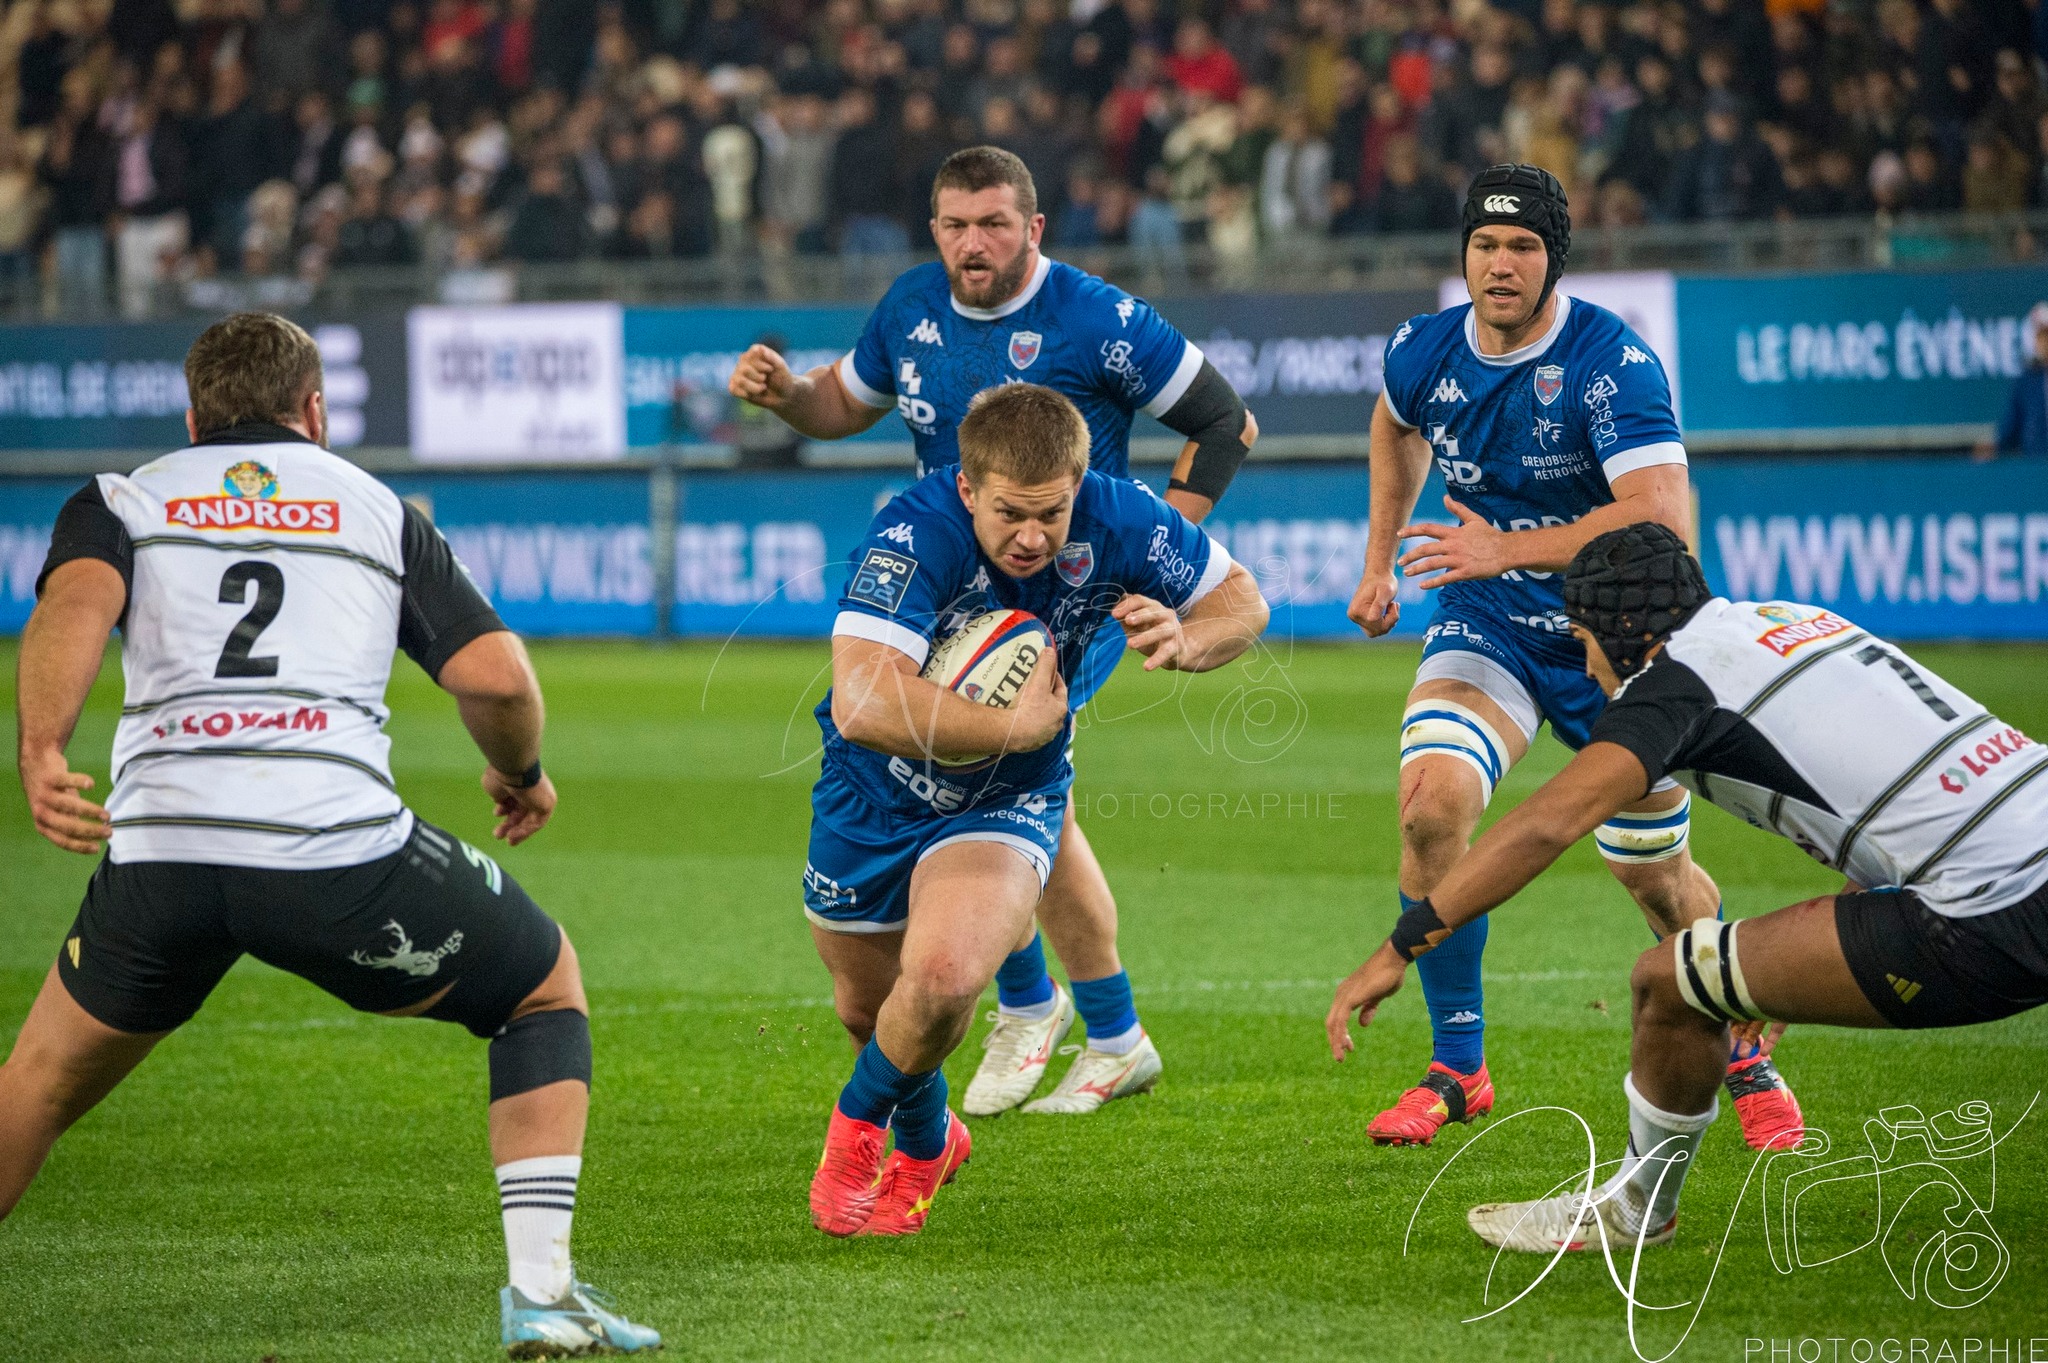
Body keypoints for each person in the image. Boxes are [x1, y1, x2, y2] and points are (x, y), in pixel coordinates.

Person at [2, 313, 658, 1358]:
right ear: (314, 409)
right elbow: (497, 678)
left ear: (192, 415)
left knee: (33, 1082)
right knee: (542, 989)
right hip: (331, 857)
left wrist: (42, 749)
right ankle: (541, 1294)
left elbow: (76, 604)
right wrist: (519, 772)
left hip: (160, 853)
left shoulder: (124, 494)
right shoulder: (375, 508)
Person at [1328, 523, 2048, 1250]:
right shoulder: (1790, 618)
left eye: (1582, 639)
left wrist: (1398, 947)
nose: (1584, 665)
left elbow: (1544, 825)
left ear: (1625, 632)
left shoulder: (1675, 685)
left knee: (1669, 982)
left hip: (1993, 912)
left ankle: (1636, 1212)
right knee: (1726, 966)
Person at [730, 146, 1259, 1118]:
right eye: (953, 225)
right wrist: (786, 397)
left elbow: (1226, 422)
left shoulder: (1097, 320)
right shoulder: (909, 308)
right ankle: (1100, 1027)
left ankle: (1042, 1010)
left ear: (1032, 228)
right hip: (949, 592)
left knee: (998, 781)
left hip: (1062, 594)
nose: (972, 244)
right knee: (1019, 798)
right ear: (932, 229)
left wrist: (1156, 549)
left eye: (992, 224)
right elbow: (843, 403)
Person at [1344, 164, 1804, 1151]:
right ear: (1461, 251)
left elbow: (1660, 518)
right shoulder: (1421, 352)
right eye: (1483, 245)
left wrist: (1501, 545)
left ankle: (1741, 1051)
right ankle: (1456, 1069)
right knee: (1430, 804)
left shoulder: (1611, 360)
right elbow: (1390, 426)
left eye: (1520, 247)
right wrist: (1378, 561)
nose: (1499, 264)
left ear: (1553, 259)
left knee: (1653, 875)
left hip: (1617, 636)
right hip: (1489, 624)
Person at [804, 383, 1270, 1237]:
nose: (1032, 536)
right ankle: (931, 1136)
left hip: (1007, 797)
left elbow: (1243, 601)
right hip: (871, 788)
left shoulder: (1121, 516)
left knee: (942, 982)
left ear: (1079, 485)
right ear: (968, 489)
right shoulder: (911, 532)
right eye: (1011, 514)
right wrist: (1013, 724)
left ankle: (859, 1139)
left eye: (1051, 514)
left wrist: (1189, 638)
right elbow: (866, 704)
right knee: (871, 1014)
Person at [1977, 303, 2048, 461]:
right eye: (2039, 335)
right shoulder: (2028, 380)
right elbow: (2012, 423)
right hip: (2036, 466)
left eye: (2046, 334)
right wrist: (1996, 446)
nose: (2043, 342)